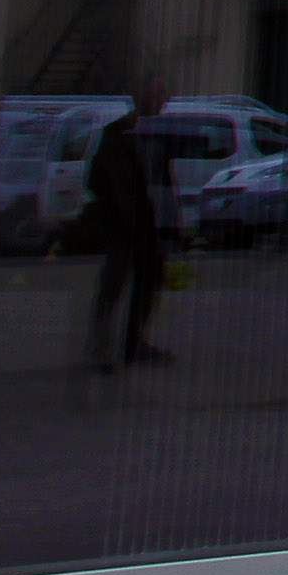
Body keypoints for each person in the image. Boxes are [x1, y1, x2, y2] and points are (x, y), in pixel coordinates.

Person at [80, 85, 178, 372]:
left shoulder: (153, 135)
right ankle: (101, 350)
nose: (162, 102)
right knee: (112, 288)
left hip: (147, 224)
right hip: (125, 226)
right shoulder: (117, 135)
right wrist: (119, 212)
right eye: (158, 96)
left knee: (147, 284)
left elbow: (161, 178)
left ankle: (133, 342)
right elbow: (98, 180)